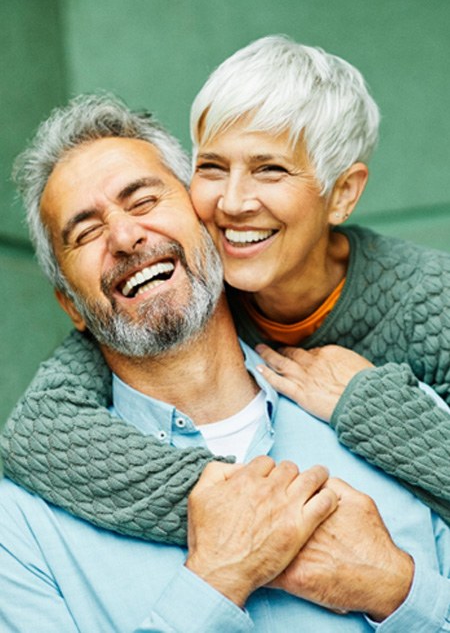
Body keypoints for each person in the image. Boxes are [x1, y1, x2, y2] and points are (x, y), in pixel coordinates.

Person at [1, 93, 450, 633]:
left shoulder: (398, 419)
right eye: (86, 232)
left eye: (143, 201)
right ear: (71, 304)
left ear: (208, 223)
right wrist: (214, 582)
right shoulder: (22, 530)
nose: (124, 237)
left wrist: (399, 590)